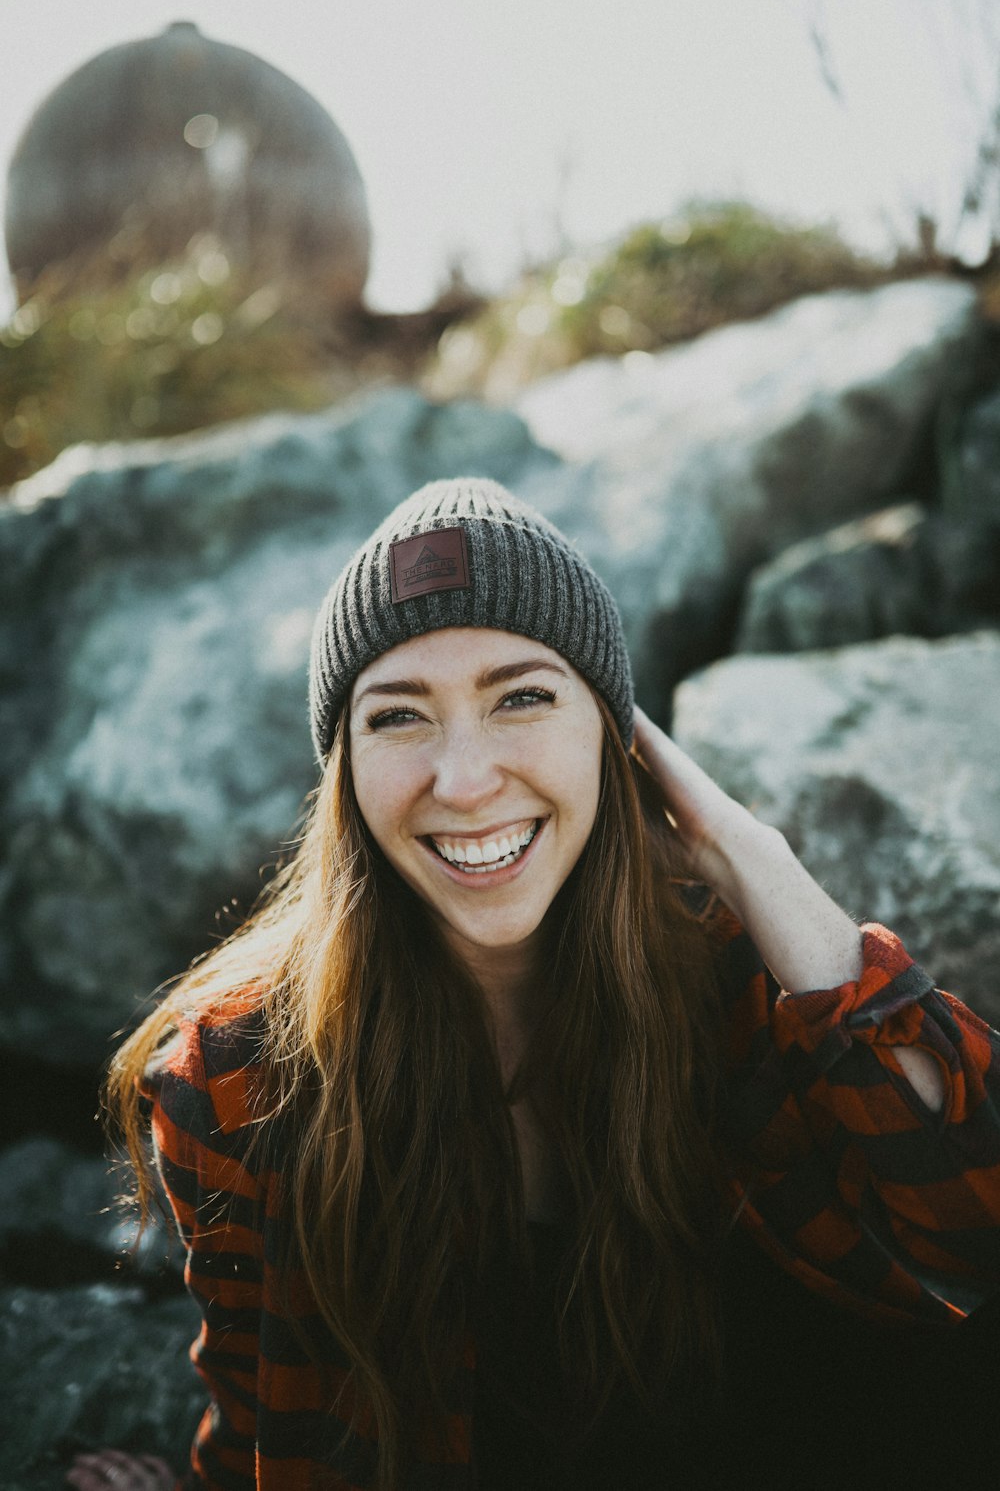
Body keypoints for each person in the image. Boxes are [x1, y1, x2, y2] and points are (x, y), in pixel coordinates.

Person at [70, 478, 1000, 1491]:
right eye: (398, 717)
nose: (464, 781)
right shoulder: (239, 1073)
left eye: (522, 697)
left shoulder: (728, 964)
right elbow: (279, 1412)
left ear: (614, 734)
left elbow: (972, 1222)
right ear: (343, 769)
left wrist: (753, 858)